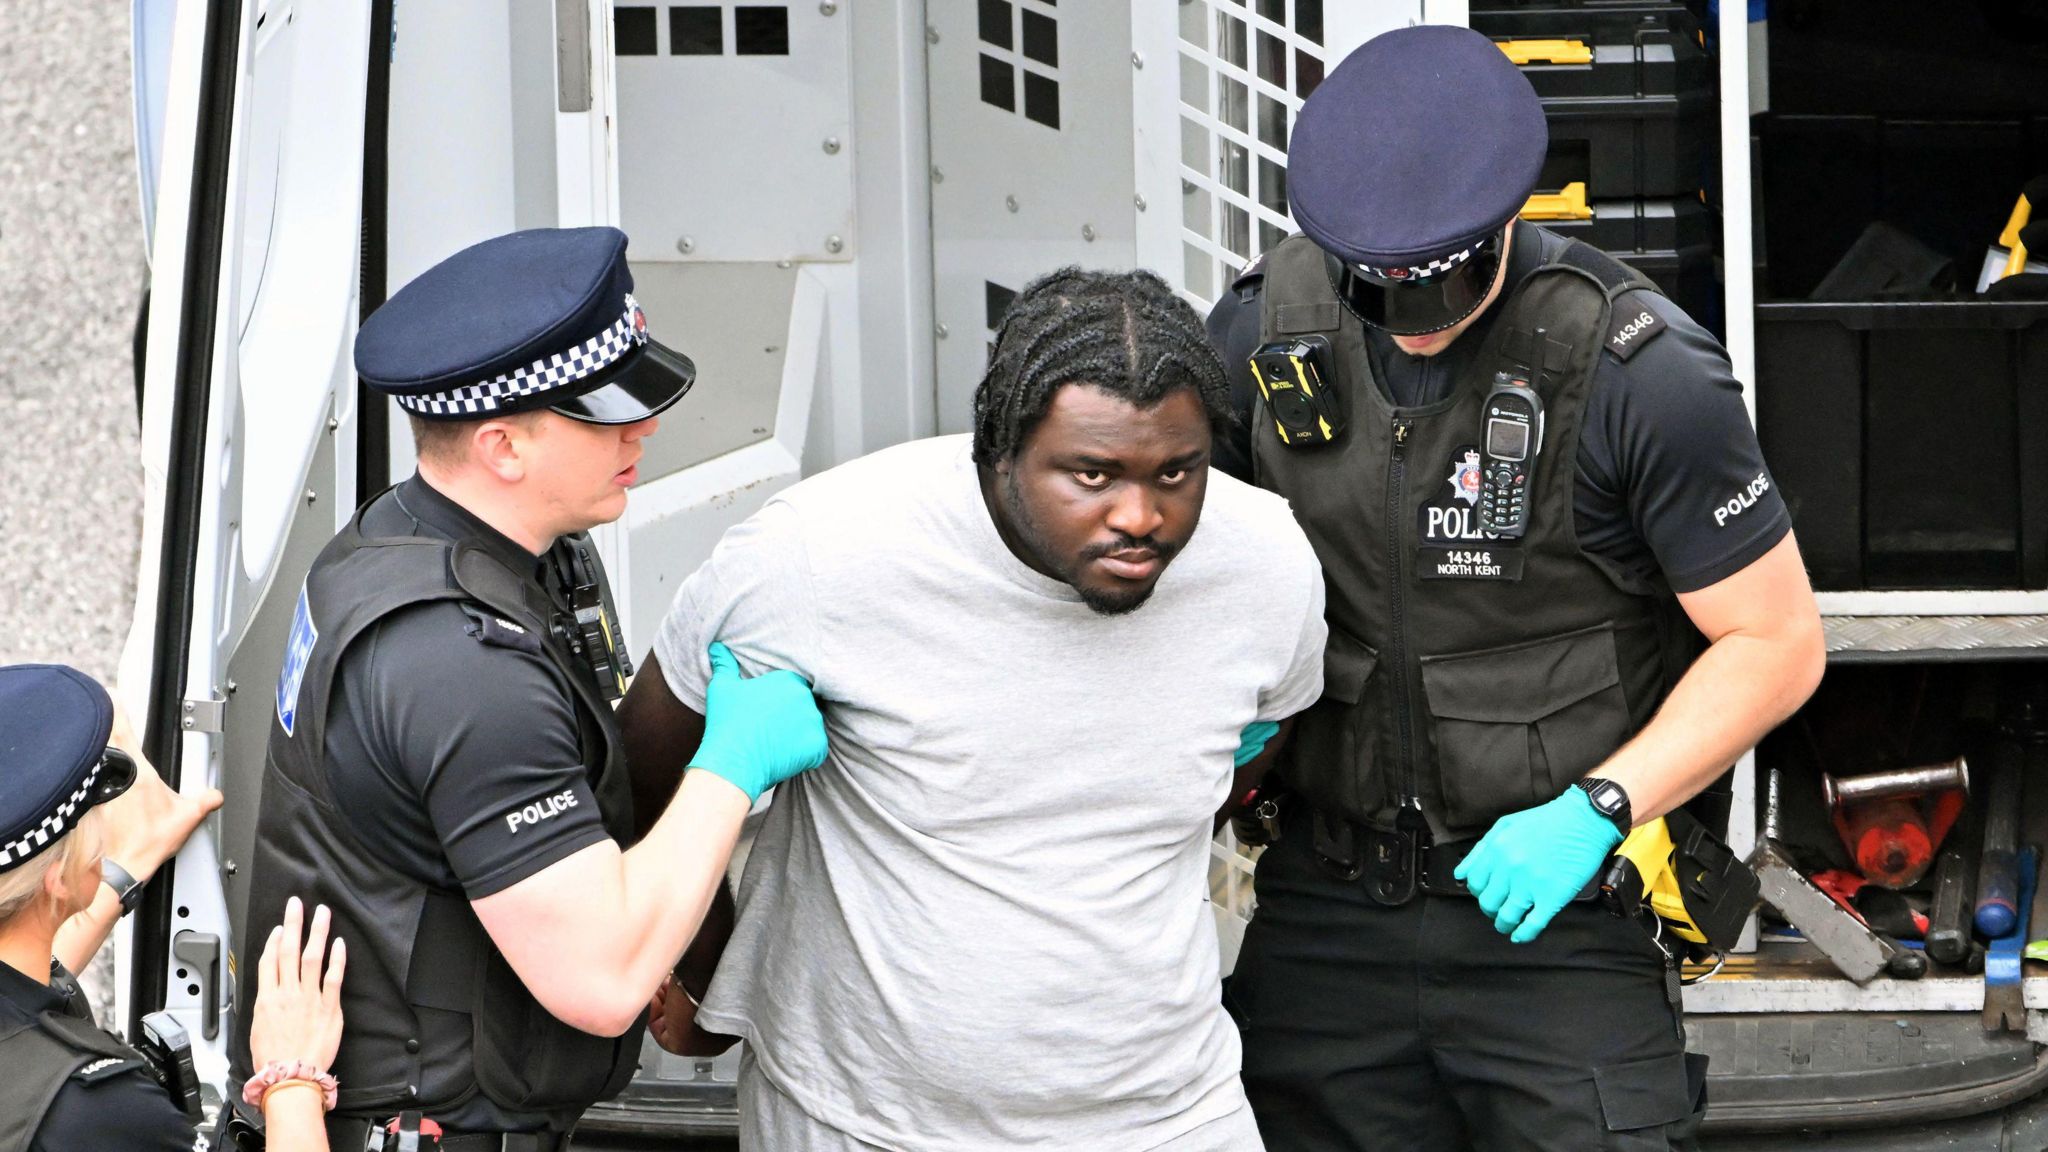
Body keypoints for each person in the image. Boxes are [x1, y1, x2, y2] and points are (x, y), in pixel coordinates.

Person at [1202, 24, 1827, 1151]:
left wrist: (1595, 811)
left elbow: (1774, 642)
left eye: (1441, 286)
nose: (1416, 324)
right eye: (1380, 295)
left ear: (1501, 223)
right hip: (1327, 905)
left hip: (1556, 916)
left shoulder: (1635, 367)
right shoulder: (1261, 331)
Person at [620, 266, 1327, 1150]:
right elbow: (648, 756)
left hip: (1168, 1115)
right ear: (998, 448)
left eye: (1177, 471)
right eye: (1092, 474)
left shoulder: (1264, 562)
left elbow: (1247, 755)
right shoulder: (821, 553)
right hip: (864, 1122)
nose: (1140, 515)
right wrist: (710, 973)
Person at [228, 226, 829, 1149]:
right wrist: (731, 767)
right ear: (504, 445)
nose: (644, 427)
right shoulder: (459, 668)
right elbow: (601, 982)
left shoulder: (412, 540)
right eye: (606, 414)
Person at [0, 662, 340, 1152]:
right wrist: (292, 1083)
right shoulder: (93, 1111)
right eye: (95, 808)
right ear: (55, 877)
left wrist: (123, 869)